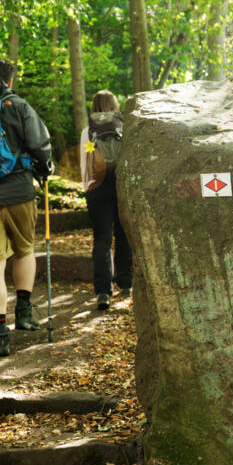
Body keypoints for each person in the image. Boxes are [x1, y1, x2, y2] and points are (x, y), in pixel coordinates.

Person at [0, 59, 52, 357]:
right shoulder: (19, 106)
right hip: (18, 191)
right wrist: (44, 168)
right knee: (24, 249)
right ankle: (25, 314)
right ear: (10, 81)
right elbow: (40, 146)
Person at [79, 90, 133, 311]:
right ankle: (126, 284)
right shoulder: (125, 127)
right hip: (121, 186)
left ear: (94, 107)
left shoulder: (88, 131)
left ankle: (103, 291)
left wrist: (87, 187)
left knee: (102, 238)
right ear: (114, 105)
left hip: (98, 187)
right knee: (123, 234)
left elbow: (86, 161)